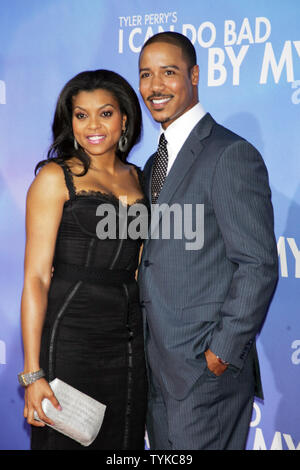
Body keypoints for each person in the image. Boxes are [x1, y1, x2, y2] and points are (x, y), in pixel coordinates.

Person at [138, 32, 278, 450]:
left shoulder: (229, 153)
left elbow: (258, 264)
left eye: (169, 72)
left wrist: (220, 352)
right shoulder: (152, 164)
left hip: (203, 373)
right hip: (155, 370)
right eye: (146, 74)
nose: (155, 86)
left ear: (194, 75)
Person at [19, 70, 148, 450]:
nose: (93, 125)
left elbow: (142, 266)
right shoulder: (55, 178)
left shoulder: (142, 179)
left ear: (124, 118)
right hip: (70, 338)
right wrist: (32, 373)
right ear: (70, 122)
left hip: (128, 343)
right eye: (81, 115)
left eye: (105, 113)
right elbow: (37, 279)